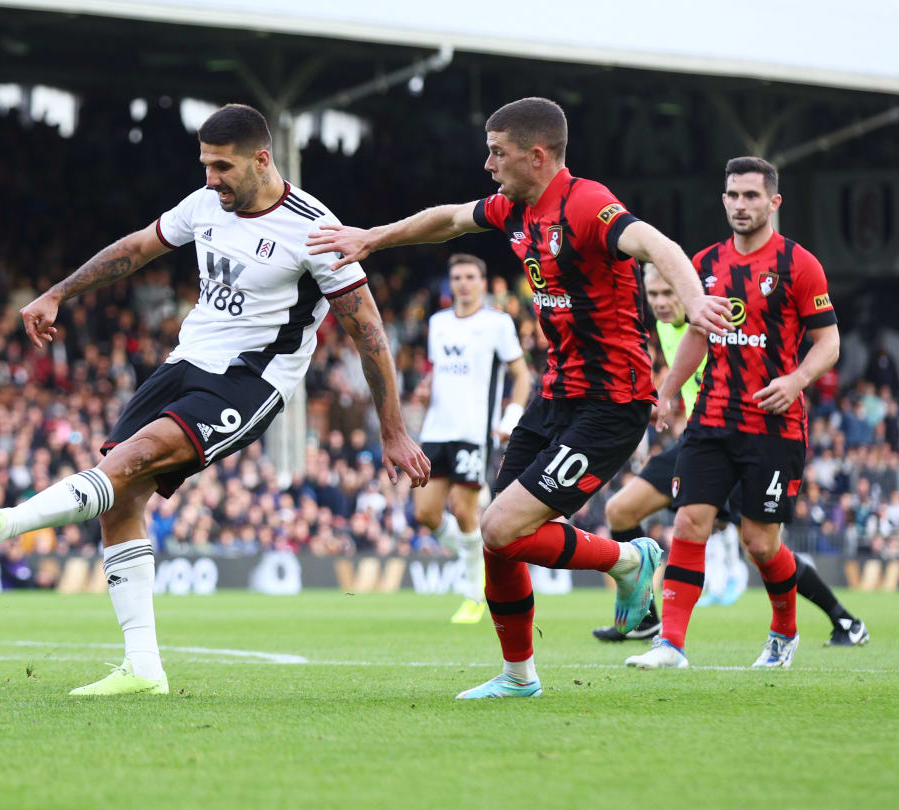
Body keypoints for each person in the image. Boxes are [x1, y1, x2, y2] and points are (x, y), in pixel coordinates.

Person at [0, 103, 430, 696]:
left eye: (222, 166)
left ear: (262, 158)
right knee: (117, 501)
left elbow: (370, 333)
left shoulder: (314, 229)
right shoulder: (206, 204)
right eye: (204, 165)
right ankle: (142, 667)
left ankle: (0, 524)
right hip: (183, 364)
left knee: (126, 462)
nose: (211, 178)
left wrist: (393, 430)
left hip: (249, 381)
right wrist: (58, 293)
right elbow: (137, 248)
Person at [306, 96, 732, 699]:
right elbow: (449, 219)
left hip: (611, 402)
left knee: (502, 526)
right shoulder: (513, 207)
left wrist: (691, 301)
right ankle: (518, 677)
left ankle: (629, 561)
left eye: (497, 152)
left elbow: (657, 245)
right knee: (494, 535)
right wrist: (372, 237)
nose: (487, 164)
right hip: (555, 394)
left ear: (536, 156)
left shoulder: (587, 203)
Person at [626, 157, 844, 669]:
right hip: (711, 420)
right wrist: (670, 388)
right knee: (689, 523)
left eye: (751, 196)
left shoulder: (798, 264)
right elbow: (697, 336)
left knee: (760, 543)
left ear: (774, 201)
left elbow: (828, 341)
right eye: (733, 195)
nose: (741, 205)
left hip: (774, 426)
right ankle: (671, 645)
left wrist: (795, 380)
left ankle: (784, 631)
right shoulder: (704, 264)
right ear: (722, 200)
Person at [594, 267, 866, 646]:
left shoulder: (717, 327)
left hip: (740, 443)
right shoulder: (668, 329)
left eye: (666, 294)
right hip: (698, 443)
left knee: (762, 549)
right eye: (651, 294)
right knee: (619, 512)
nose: (658, 302)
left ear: (687, 292)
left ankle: (846, 621)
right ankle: (647, 620)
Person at [414, 254, 531, 624]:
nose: (463, 283)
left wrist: (510, 417)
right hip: (435, 430)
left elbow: (522, 376)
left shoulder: (496, 324)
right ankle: (473, 558)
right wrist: (426, 388)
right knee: (425, 513)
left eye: (470, 276)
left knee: (465, 509)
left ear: (482, 283)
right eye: (457, 277)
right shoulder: (438, 323)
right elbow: (439, 372)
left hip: (473, 431)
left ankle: (472, 593)